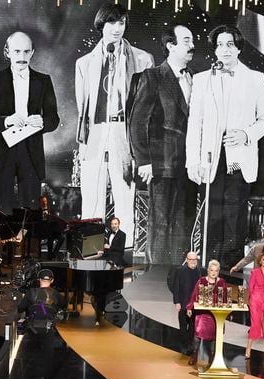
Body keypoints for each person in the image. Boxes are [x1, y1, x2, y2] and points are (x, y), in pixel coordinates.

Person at [185, 25, 264, 269]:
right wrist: (192, 160)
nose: (225, 49)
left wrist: (246, 134)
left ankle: (231, 277)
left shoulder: (255, 78)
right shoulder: (203, 79)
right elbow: (195, 124)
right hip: (210, 160)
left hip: (238, 158)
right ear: (214, 49)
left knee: (234, 217)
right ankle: (209, 273)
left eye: (230, 44)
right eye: (220, 44)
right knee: (211, 217)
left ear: (238, 48)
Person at [75, 3, 154, 248]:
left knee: (124, 195)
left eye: (121, 23)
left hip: (124, 132)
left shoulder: (141, 59)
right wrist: (83, 145)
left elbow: (147, 107)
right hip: (96, 131)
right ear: (102, 25)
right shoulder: (85, 63)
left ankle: (123, 253)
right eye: (111, 23)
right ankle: (91, 251)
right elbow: (83, 109)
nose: (117, 28)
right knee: (91, 197)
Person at [128, 25, 197, 265]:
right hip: (162, 165)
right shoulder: (152, 77)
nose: (192, 45)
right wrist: (144, 160)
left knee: (183, 224)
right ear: (170, 45)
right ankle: (155, 281)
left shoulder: (195, 78)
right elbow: (137, 123)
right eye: (186, 40)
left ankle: (178, 278)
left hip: (189, 167)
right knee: (160, 225)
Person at [0, 31, 59, 213]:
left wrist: (43, 122)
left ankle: (28, 241)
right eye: (16, 52)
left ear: (32, 53)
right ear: (7, 52)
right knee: (0, 212)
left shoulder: (43, 81)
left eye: (26, 52)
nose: (21, 57)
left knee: (31, 212)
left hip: (31, 153)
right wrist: (6, 121)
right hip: (2, 152)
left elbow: (54, 119)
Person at [17, 268, 65, 379]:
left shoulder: (31, 293)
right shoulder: (57, 295)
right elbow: (64, 307)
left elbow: (20, 309)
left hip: (32, 332)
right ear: (52, 281)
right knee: (49, 359)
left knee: (30, 358)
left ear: (39, 280)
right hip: (49, 333)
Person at [185, 259, 228, 365]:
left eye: (216, 271)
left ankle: (212, 358)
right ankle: (194, 355)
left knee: (215, 336)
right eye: (212, 270)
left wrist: (227, 311)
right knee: (198, 334)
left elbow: (226, 298)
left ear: (218, 271)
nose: (214, 273)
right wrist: (189, 307)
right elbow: (194, 295)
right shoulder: (202, 281)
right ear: (208, 270)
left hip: (216, 314)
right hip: (203, 313)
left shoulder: (222, 282)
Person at [172, 251, 204, 356]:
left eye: (195, 259)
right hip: (183, 303)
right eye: (191, 259)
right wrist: (177, 302)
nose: (193, 261)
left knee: (192, 327)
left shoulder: (199, 271)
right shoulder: (180, 271)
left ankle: (190, 347)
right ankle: (184, 347)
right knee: (183, 327)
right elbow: (176, 287)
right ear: (187, 260)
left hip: (195, 304)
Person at [246, 252, 264, 359]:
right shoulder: (255, 272)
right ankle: (248, 349)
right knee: (255, 324)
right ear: (259, 261)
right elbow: (250, 288)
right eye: (263, 259)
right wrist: (252, 301)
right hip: (255, 301)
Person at [36, 195, 65, 259]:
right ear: (40, 202)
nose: (44, 203)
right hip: (44, 231)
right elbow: (38, 222)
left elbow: (56, 218)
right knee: (50, 238)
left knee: (62, 238)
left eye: (45, 201)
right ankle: (50, 256)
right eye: (42, 201)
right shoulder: (38, 211)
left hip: (53, 230)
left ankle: (54, 253)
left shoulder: (51, 209)